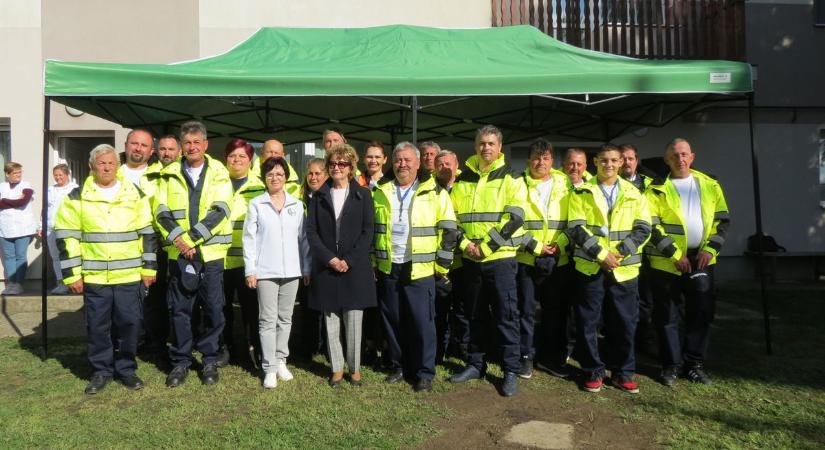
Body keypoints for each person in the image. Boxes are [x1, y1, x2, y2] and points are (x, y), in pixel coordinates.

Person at [54, 144, 157, 394]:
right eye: (101, 163)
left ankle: (127, 369)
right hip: (95, 276)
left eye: (111, 162)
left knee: (130, 324)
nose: (107, 167)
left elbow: (147, 233)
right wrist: (72, 274)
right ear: (92, 167)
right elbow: (66, 237)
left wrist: (149, 269)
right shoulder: (76, 198)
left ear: (118, 165)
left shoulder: (134, 194)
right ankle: (101, 371)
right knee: (98, 326)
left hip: (130, 275)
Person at [448, 125, 526, 397]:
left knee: (506, 316)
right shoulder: (463, 178)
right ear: (475, 145)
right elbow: (452, 217)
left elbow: (515, 218)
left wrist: (487, 247)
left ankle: (510, 371)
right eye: (482, 143)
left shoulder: (512, 177)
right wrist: (465, 244)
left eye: (491, 143)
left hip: (500, 259)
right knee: (474, 315)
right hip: (471, 258)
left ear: (500, 147)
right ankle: (476, 364)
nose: (486, 148)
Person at [373, 142, 457, 392]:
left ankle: (424, 373)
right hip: (390, 266)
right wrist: (373, 262)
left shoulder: (434, 191)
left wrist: (441, 264)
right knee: (394, 320)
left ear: (419, 163)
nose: (402, 164)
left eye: (408, 160)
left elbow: (450, 230)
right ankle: (399, 366)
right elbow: (373, 231)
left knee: (422, 322)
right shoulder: (380, 190)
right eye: (398, 160)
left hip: (420, 267)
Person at [567, 144, 651, 394]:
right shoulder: (581, 191)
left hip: (624, 269)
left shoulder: (635, 193)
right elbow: (576, 228)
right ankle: (593, 371)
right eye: (604, 160)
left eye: (615, 160)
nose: (610, 165)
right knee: (588, 322)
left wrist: (620, 253)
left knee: (624, 323)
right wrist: (603, 255)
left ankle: (623, 372)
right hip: (591, 267)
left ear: (621, 163)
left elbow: (644, 228)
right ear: (595, 162)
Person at [153, 120, 233, 387]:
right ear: (181, 146)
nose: (192, 147)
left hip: (210, 256)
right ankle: (180, 362)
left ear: (205, 144)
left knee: (213, 309)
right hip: (180, 256)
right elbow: (160, 212)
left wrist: (191, 240)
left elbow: (221, 211)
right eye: (187, 143)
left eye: (197, 142)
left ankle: (209, 360)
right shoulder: (169, 173)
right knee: (180, 310)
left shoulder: (220, 172)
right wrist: (181, 242)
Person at [646, 138, 729, 386]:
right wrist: (675, 254)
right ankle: (670, 366)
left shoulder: (710, 184)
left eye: (683, 154)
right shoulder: (655, 188)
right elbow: (651, 225)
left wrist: (709, 250)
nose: (679, 159)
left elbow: (722, 221)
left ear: (692, 156)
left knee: (700, 313)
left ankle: (694, 364)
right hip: (667, 262)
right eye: (674, 156)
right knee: (666, 316)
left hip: (702, 259)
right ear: (666, 160)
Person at [306, 143, 376, 387]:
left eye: (342, 164)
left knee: (354, 321)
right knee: (331, 320)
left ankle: (354, 368)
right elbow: (311, 233)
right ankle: (336, 367)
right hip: (328, 267)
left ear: (350, 167)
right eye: (332, 164)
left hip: (354, 268)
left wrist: (349, 260)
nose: (336, 168)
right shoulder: (319, 195)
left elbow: (369, 232)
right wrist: (331, 259)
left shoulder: (363, 195)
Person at [244, 156, 311, 389]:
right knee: (267, 320)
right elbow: (249, 240)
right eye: (270, 174)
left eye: (279, 174)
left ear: (286, 177)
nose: (275, 177)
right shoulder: (256, 204)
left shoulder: (296, 205)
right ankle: (269, 367)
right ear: (264, 177)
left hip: (292, 271)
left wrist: (306, 267)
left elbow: (303, 241)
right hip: (266, 272)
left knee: (286, 318)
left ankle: (281, 359)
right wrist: (250, 270)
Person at [514, 139, 571, 380]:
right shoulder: (517, 184)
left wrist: (561, 244)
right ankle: (526, 356)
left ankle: (552, 358)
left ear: (552, 161)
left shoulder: (566, 183)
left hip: (559, 258)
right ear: (529, 160)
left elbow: (577, 220)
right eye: (536, 158)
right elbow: (511, 222)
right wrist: (536, 246)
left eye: (545, 158)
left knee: (555, 312)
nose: (541, 162)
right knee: (525, 311)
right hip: (527, 258)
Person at [219, 138, 266, 368]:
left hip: (249, 262)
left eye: (242, 157)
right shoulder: (216, 184)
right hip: (220, 257)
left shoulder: (260, 186)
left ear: (250, 161)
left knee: (251, 309)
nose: (236, 160)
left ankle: (254, 348)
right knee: (221, 307)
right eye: (232, 156)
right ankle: (225, 348)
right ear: (225, 159)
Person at [433, 150, 463, 362]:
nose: (444, 167)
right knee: (438, 310)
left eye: (448, 163)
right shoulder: (430, 190)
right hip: (437, 263)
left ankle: (459, 349)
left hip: (462, 260)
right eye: (440, 164)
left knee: (462, 310)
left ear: (456, 164)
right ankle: (439, 351)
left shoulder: (465, 187)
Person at [297, 158, 328, 359]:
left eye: (318, 173)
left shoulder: (330, 199)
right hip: (304, 262)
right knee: (307, 306)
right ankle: (309, 346)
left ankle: (325, 345)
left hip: (324, 260)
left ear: (326, 176)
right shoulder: (300, 200)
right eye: (310, 173)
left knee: (326, 307)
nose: (314, 177)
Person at [0, 162, 38, 295]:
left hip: (23, 228)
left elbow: (23, 201)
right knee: (9, 257)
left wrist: (4, 201)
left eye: (19, 172)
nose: (18, 175)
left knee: (20, 256)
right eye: (15, 173)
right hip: (4, 228)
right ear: (7, 174)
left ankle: (19, 284)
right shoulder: (2, 186)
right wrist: (14, 201)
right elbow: (16, 202)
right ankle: (11, 284)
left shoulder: (26, 186)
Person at [46, 164, 78, 295]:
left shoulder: (74, 189)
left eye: (60, 175)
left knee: (70, 256)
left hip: (68, 227)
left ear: (67, 174)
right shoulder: (50, 189)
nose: (58, 177)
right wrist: (41, 225)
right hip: (52, 227)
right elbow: (46, 208)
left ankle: (73, 282)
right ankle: (61, 283)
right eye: (55, 175)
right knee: (56, 257)